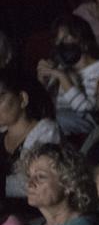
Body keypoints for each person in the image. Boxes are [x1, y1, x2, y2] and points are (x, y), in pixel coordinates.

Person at [36, 15, 99, 137]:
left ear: (82, 40)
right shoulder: (61, 67)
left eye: (66, 38)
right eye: (58, 41)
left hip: (88, 127)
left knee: (57, 119)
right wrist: (42, 83)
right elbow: (43, 107)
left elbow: (88, 110)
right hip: (60, 125)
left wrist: (63, 78)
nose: (61, 45)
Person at [0, 72, 61, 204]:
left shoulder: (47, 131)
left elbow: (30, 183)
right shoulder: (2, 132)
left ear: (23, 99)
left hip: (32, 213)